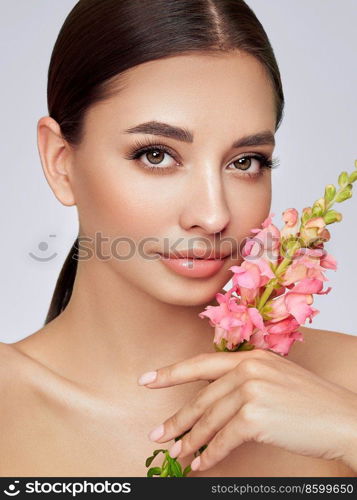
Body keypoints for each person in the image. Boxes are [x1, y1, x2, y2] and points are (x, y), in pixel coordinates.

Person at [1, 0, 356, 477]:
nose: (213, 215)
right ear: (61, 160)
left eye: (246, 161)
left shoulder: (346, 387)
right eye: (155, 155)